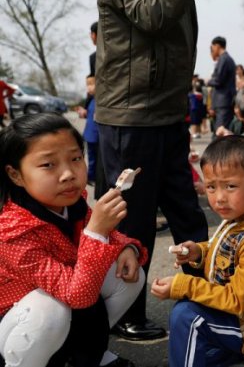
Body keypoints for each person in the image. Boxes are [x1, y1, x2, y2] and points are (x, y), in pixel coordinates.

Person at [94, 0, 220, 340]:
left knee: (187, 211)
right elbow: (149, 13)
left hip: (166, 112)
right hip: (131, 114)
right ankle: (125, 314)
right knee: (133, 218)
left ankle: (206, 299)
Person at [0, 113, 147, 367]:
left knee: (128, 272)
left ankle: (87, 352)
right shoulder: (11, 230)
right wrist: (95, 232)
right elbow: (77, 295)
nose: (68, 173)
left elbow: (109, 235)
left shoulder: (71, 203)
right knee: (49, 311)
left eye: (76, 158)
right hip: (15, 320)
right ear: (16, 175)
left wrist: (127, 247)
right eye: (48, 165)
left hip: (66, 295)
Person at [151, 135, 244, 367]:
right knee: (193, 338)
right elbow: (227, 252)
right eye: (211, 187)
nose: (220, 198)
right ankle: (242, 354)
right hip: (240, 316)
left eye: (230, 186)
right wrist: (199, 252)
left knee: (187, 317)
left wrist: (183, 285)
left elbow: (237, 300)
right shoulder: (243, 215)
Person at [208, 36, 237, 133]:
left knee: (221, 132)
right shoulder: (227, 59)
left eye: (212, 47)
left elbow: (218, 80)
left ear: (217, 46)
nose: (212, 50)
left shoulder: (224, 59)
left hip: (223, 101)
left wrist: (207, 81)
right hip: (223, 101)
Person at [82, 75, 99, 185]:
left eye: (91, 84)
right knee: (92, 158)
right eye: (87, 85)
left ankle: (93, 176)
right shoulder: (91, 100)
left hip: (97, 135)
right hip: (91, 135)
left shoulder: (99, 101)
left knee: (96, 158)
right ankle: (90, 177)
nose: (89, 88)